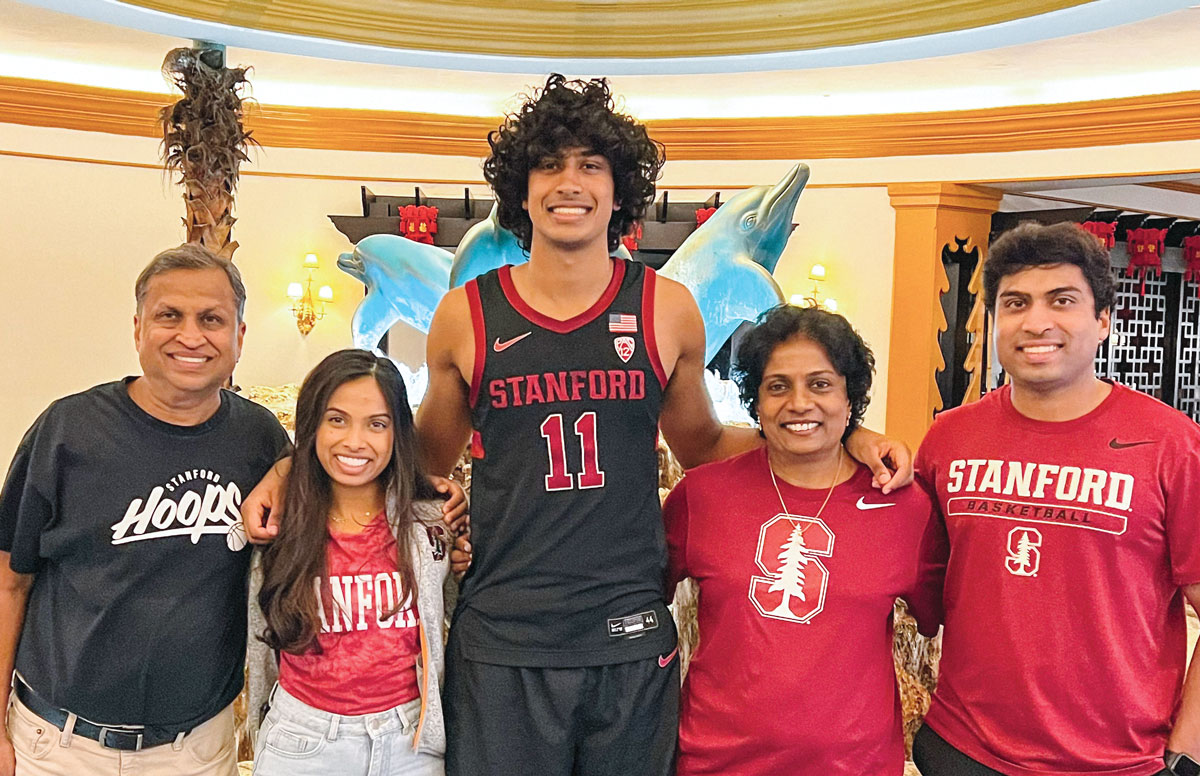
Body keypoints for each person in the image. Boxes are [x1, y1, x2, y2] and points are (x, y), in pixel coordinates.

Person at [244, 74, 913, 776]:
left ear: (620, 189)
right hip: (505, 638)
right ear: (521, 188)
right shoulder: (465, 316)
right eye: (550, 163)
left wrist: (846, 436)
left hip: (626, 638)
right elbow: (414, 457)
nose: (570, 182)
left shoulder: (666, 309)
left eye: (591, 164)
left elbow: (708, 446)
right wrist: (293, 465)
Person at [912, 221, 1200, 776]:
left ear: (1103, 321)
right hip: (963, 748)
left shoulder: (1171, 444)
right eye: (1015, 303)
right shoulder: (948, 437)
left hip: (1115, 761)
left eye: (1062, 300)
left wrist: (1186, 752)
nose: (1036, 321)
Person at [0, 244, 290, 776]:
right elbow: (7, 583)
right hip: (59, 747)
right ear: (138, 329)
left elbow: (343, 485)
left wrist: (440, 504)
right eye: (169, 316)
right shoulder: (67, 431)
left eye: (211, 320)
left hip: (197, 750)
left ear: (239, 338)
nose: (190, 336)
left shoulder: (260, 438)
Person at [663, 304, 940, 776]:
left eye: (821, 384)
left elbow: (944, 621)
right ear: (756, 402)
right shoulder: (703, 495)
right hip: (716, 762)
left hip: (856, 765)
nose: (799, 403)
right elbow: (639, 603)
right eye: (777, 387)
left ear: (850, 398)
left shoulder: (904, 506)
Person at [249, 349, 451, 776]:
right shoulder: (276, 521)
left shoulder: (431, 521)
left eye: (376, 424)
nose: (355, 441)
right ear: (311, 425)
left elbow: (462, 612)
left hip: (411, 741)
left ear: (398, 433)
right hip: (303, 741)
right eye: (336, 419)